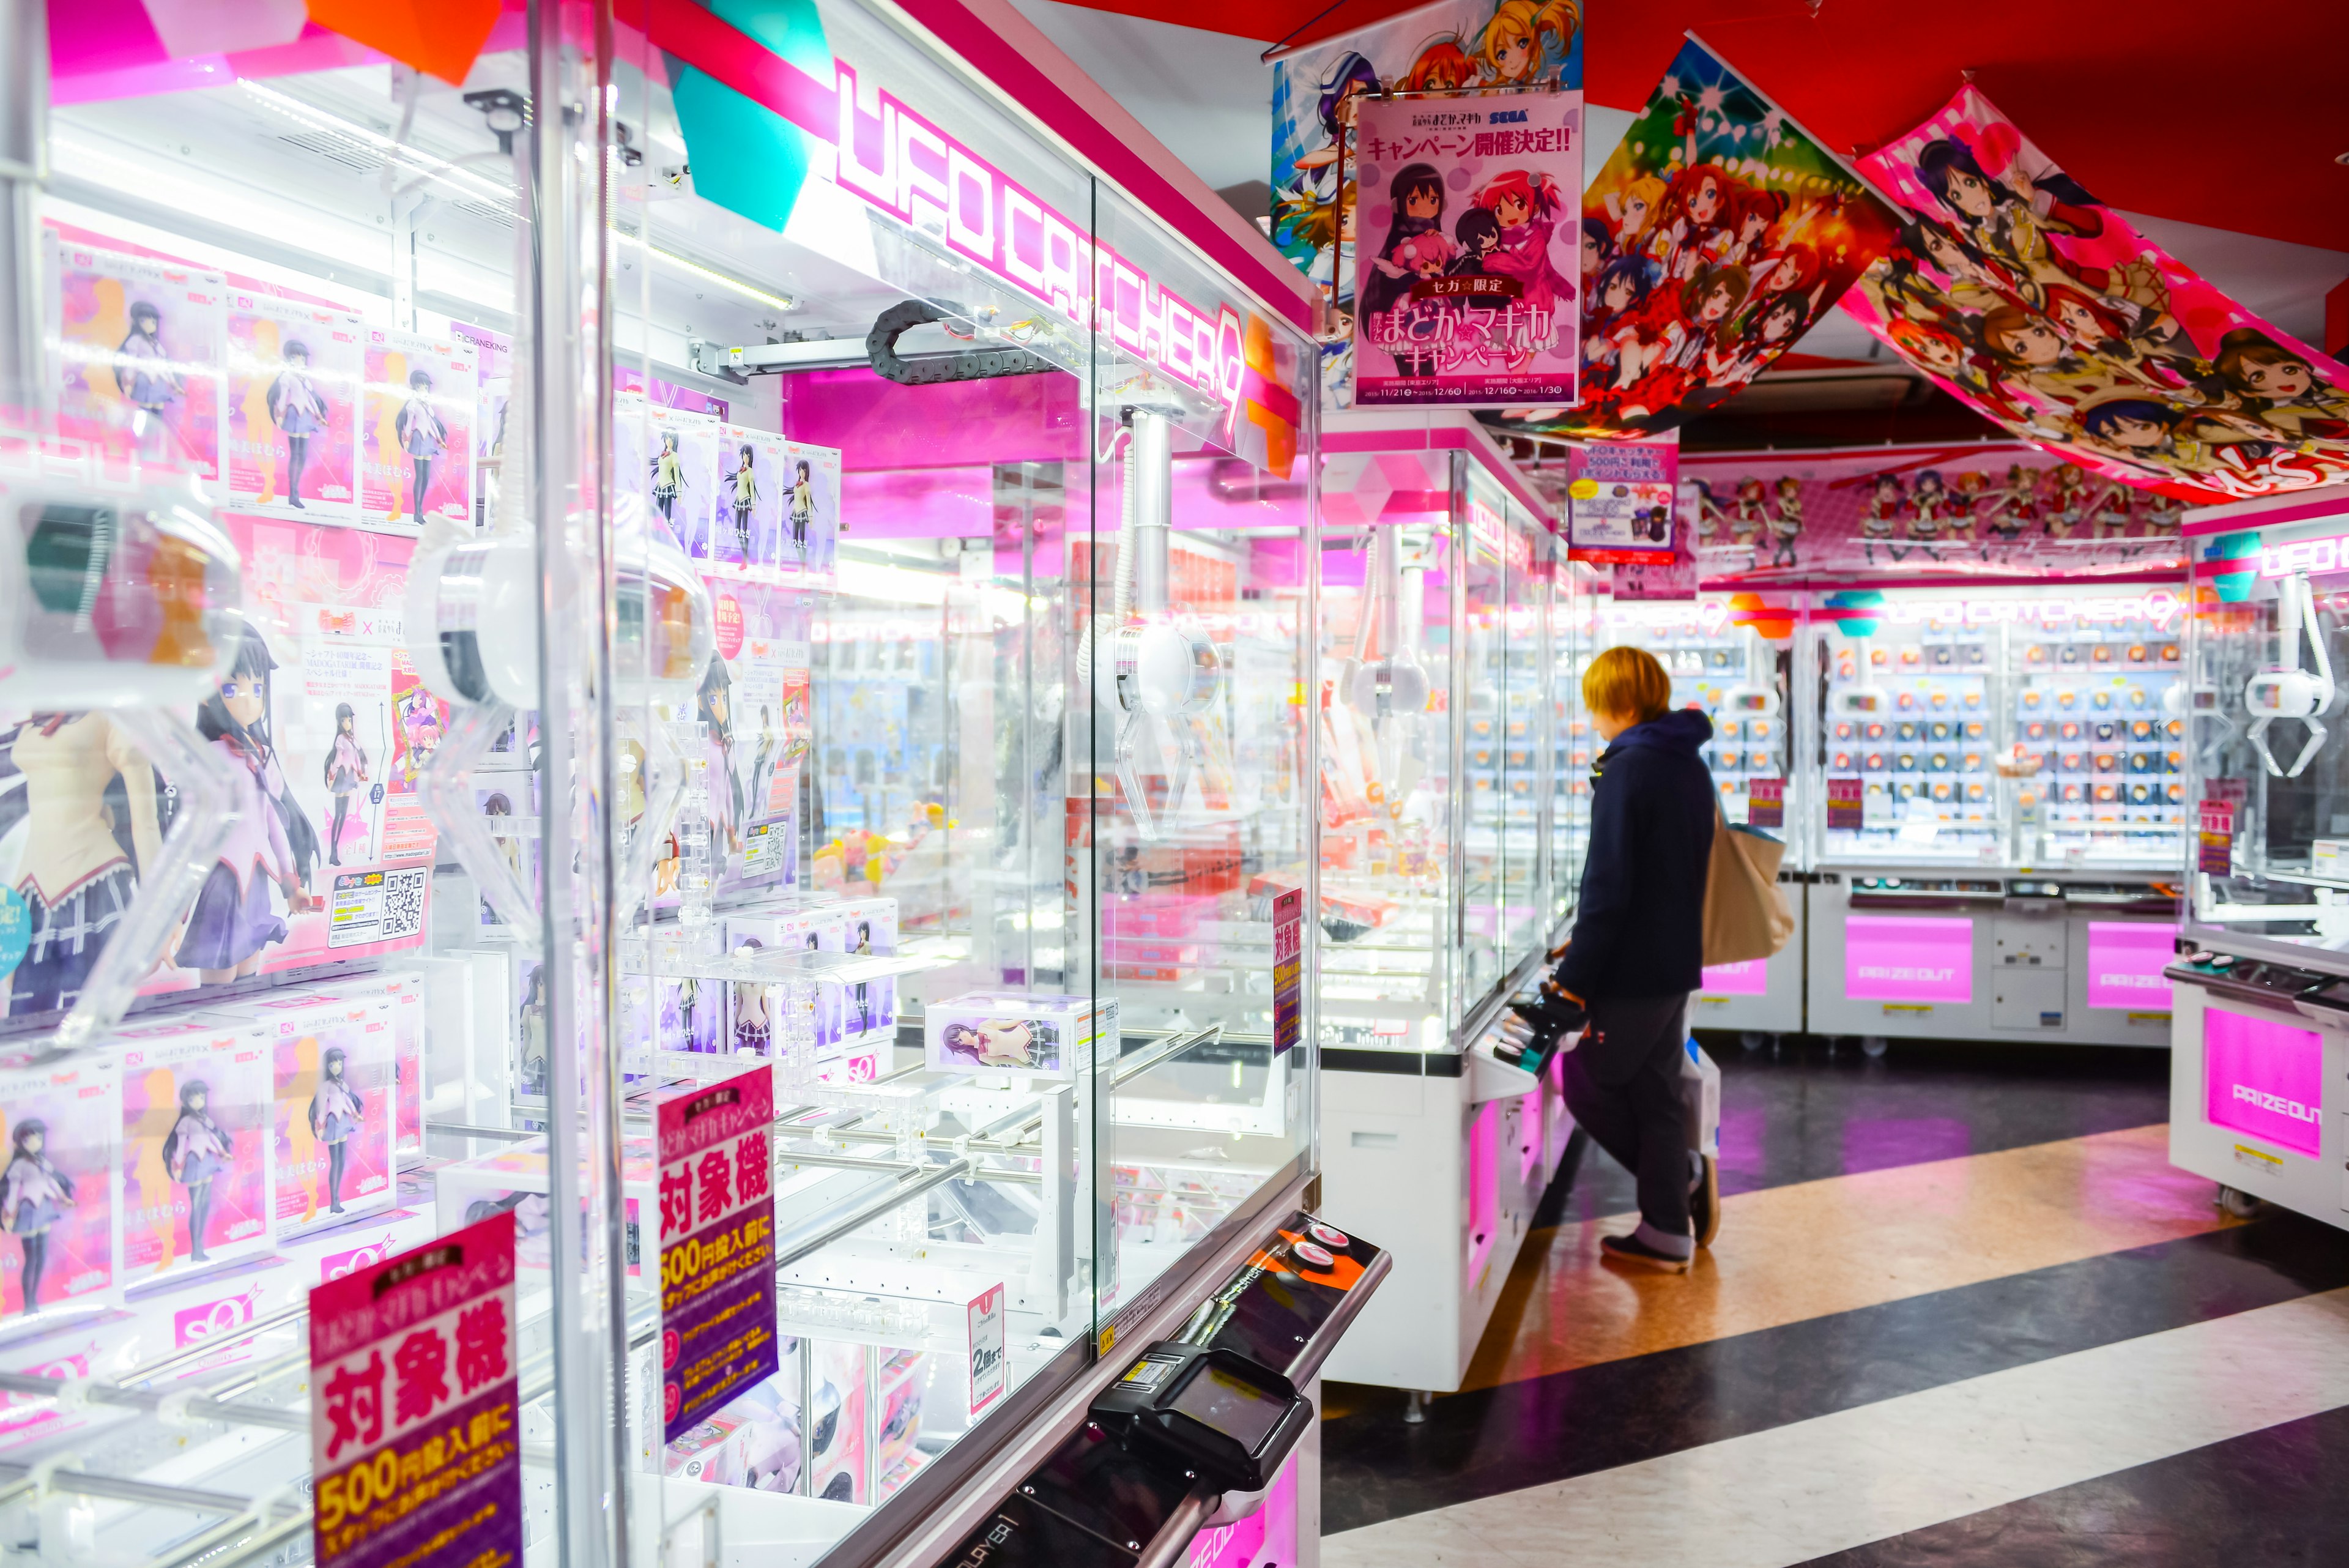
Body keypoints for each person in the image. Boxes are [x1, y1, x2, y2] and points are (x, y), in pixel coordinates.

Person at [1520, 646, 1715, 1271]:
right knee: (1653, 1091)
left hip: (1631, 973)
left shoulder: (1629, 767)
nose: (1592, 717)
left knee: (1588, 1082)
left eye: (1596, 703)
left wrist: (1575, 981)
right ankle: (1665, 1232)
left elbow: (1608, 887)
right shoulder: (1683, 762)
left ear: (1620, 701)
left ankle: (1676, 1180)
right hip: (1674, 961)